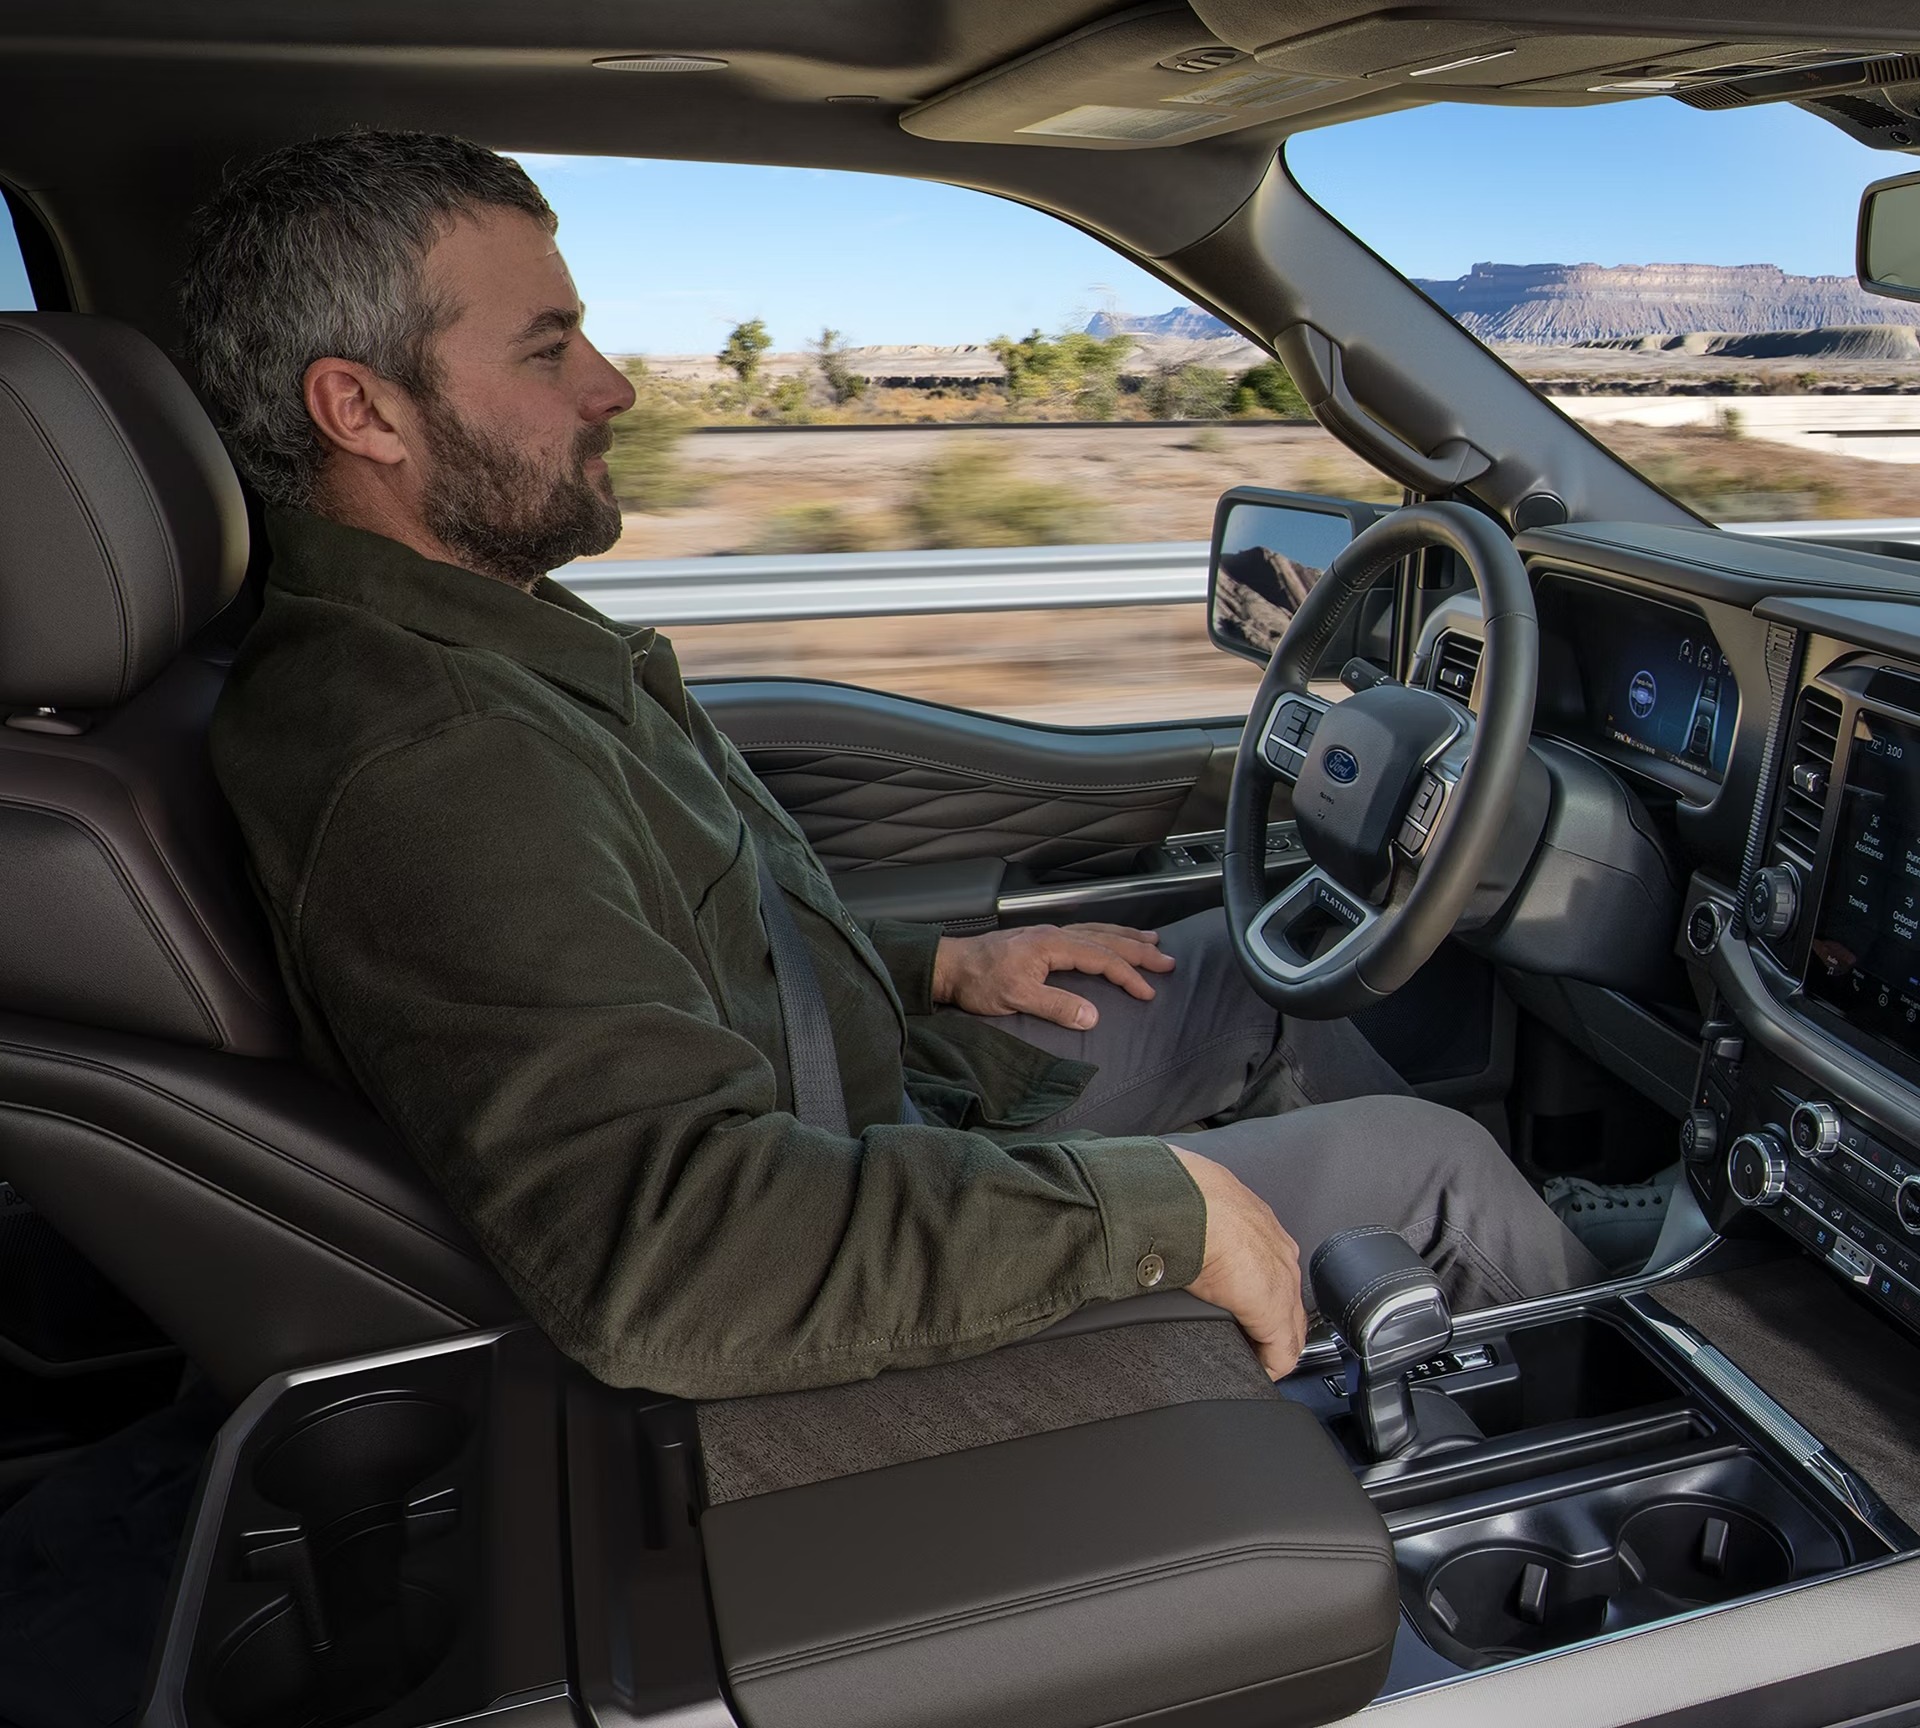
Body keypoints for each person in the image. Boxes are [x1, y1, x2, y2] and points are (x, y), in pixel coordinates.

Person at [185, 129, 1603, 1403]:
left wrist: (931, 969)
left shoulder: (473, 638)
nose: (613, 388)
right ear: (362, 412)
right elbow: (677, 1255)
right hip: (825, 1238)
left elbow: (655, 947)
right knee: (1438, 1173)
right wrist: (1155, 1218)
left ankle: (1357, 1345)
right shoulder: (434, 758)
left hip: (871, 1113)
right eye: (549, 350)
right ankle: (1606, 1457)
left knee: (1245, 970)